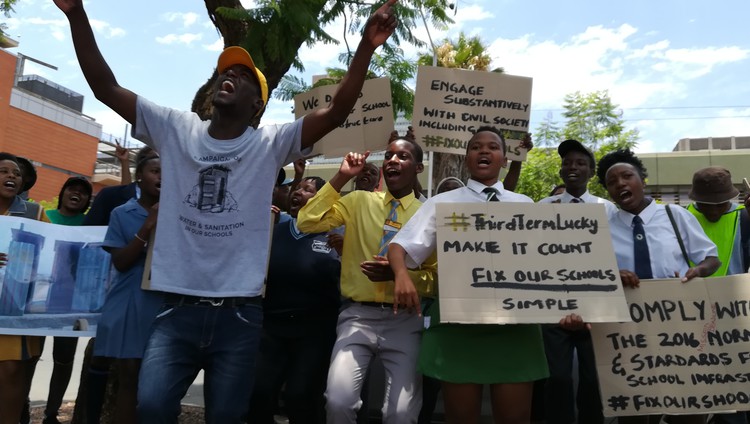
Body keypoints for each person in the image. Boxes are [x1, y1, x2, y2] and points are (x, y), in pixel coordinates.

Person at [55, 0, 398, 421]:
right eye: (225, 72)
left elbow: (338, 110)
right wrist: (76, 14)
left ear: (258, 104)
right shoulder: (176, 130)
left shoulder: (270, 144)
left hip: (239, 315)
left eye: (241, 76)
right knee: (152, 407)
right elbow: (106, 88)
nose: (228, 77)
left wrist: (365, 45)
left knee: (227, 415)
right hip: (175, 310)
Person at [388, 127, 560, 424]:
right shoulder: (441, 203)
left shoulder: (526, 206)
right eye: (476, 147)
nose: (483, 151)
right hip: (458, 327)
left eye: (492, 147)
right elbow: (399, 246)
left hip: (515, 329)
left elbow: (549, 267)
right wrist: (401, 275)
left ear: (504, 159)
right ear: (466, 158)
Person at [296, 139, 436, 424]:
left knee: (400, 414)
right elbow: (306, 222)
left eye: (404, 156)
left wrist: (400, 275)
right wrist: (342, 176)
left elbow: (435, 278)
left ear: (419, 167)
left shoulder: (428, 214)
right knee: (338, 401)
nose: (393, 160)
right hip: (356, 317)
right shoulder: (358, 201)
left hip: (406, 321)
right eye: (389, 155)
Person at [596, 148, 720, 424]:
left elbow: (712, 258)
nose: (620, 184)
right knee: (638, 411)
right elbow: (593, 273)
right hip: (628, 330)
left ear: (643, 180)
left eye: (627, 176)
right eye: (612, 182)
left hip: (678, 325)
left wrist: (698, 270)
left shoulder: (675, 215)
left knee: (688, 407)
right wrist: (613, 275)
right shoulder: (602, 226)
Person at [248, 176, 341, 424]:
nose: (298, 192)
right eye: (296, 188)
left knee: (300, 396)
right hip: (272, 328)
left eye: (308, 190)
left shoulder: (336, 236)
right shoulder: (274, 231)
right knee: (259, 391)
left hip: (314, 331)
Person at [536, 139, 617, 424]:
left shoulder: (608, 210)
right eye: (567, 162)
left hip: (596, 307)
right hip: (553, 307)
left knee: (594, 379)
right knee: (556, 378)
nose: (572, 167)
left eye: (580, 163)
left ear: (592, 172)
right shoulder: (542, 207)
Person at [93, 155, 164, 424]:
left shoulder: (183, 211)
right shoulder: (122, 213)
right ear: (139, 177)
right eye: (155, 171)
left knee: (161, 382)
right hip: (131, 301)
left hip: (165, 302)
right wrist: (148, 226)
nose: (162, 177)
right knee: (130, 378)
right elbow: (121, 262)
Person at [685, 167, 749, 424]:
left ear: (730, 199)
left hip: (733, 316)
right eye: (706, 205)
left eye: (719, 205)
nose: (713, 211)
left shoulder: (745, 218)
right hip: (688, 315)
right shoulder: (681, 217)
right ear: (695, 200)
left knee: (733, 382)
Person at [41, 176, 93, 424]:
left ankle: (51, 413)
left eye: (83, 192)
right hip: (38, 300)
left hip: (74, 304)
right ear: (62, 192)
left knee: (64, 360)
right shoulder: (43, 215)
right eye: (72, 188)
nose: (77, 193)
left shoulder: (91, 224)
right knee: (29, 358)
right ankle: (20, 408)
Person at [0, 152, 47, 424]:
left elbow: (53, 254)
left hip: (14, 305)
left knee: (12, 370)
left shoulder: (35, 212)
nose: (11, 176)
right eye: (4, 171)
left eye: (16, 173)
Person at [83, 146, 157, 226]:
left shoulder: (169, 204)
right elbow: (88, 231)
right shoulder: (109, 196)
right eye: (155, 170)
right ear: (141, 170)